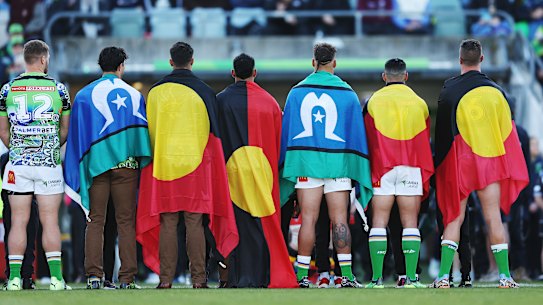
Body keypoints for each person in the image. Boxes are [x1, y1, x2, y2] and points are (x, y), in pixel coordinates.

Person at [136, 42, 238, 289]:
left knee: (168, 222)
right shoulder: (205, 91)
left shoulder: (156, 92)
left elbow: (149, 133)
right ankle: (199, 280)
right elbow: (215, 135)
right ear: (192, 61)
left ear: (171, 62)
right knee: (194, 222)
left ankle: (165, 280)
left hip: (164, 166)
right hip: (197, 167)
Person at [431, 39, 529, 288]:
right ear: (482, 60)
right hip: (489, 162)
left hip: (460, 162)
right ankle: (505, 277)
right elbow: (508, 133)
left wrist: (438, 168)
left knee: (454, 218)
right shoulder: (497, 92)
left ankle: (443, 277)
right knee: (493, 217)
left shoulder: (449, 89)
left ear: (460, 60)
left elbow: (441, 135)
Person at [280, 42, 373, 288]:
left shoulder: (296, 92)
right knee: (340, 219)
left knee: (308, 220)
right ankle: (347, 276)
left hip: (306, 163)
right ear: (334, 62)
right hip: (339, 165)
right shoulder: (348, 93)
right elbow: (356, 135)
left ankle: (300, 276)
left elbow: (286, 132)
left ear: (313, 62)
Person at [64, 46, 152, 289]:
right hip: (126, 167)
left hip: (96, 168)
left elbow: (77, 137)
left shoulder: (83, 95)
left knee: (95, 220)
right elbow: (140, 134)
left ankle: (94, 276)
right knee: (125, 222)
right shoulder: (134, 95)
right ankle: (127, 278)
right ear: (121, 66)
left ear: (100, 65)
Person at [215, 53, 297, 288]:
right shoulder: (270, 102)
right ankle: (263, 277)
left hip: (231, 172)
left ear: (233, 74)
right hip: (263, 173)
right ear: (255, 73)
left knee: (234, 223)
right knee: (261, 224)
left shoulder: (220, 101)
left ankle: (230, 278)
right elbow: (282, 145)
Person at [0, 39, 71, 291]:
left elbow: (3, 132)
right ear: (43, 59)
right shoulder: (59, 90)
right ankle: (55, 279)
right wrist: (48, 146)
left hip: (17, 163)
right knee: (50, 221)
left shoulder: (7, 89)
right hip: (48, 163)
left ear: (24, 60)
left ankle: (16, 279)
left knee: (18, 221)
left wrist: (20, 149)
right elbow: (64, 130)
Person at [363, 58, 433, 288]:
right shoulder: (420, 103)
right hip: (410, 167)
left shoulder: (373, 100)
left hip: (383, 167)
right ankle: (411, 278)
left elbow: (367, 136)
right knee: (410, 222)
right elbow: (424, 139)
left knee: (379, 222)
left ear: (384, 77)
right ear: (406, 76)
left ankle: (377, 280)